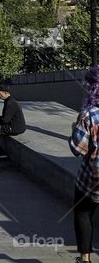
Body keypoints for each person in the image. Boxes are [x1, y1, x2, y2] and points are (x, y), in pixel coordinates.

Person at [71, 67, 99, 263]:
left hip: (91, 178)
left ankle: (85, 258)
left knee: (83, 213)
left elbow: (77, 149)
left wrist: (74, 128)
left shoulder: (90, 115)